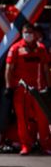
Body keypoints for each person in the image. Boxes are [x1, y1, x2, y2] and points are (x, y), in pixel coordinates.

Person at [5, 23, 50, 155]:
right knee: (22, 120)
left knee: (43, 119)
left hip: (39, 90)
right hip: (22, 91)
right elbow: (9, 69)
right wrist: (8, 87)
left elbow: (46, 69)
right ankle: (26, 145)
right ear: (22, 33)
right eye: (26, 32)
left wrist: (49, 86)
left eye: (31, 32)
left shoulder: (41, 49)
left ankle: (46, 145)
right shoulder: (15, 48)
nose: (28, 34)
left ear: (35, 33)